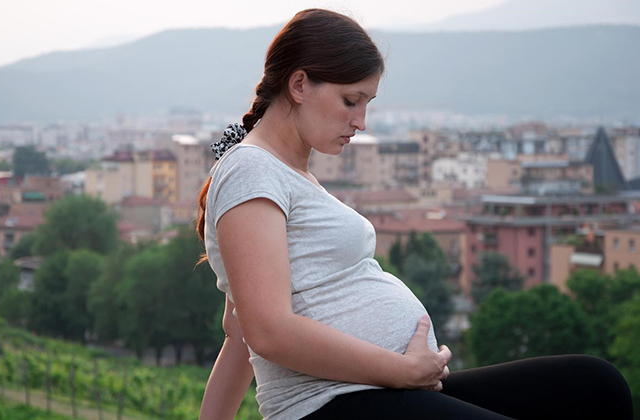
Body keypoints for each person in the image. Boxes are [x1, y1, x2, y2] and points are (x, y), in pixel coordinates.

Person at [196, 9, 633, 420]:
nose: (361, 121)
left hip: (379, 390)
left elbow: (239, 331)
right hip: (331, 403)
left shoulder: (287, 174)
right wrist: (401, 371)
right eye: (352, 100)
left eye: (367, 103)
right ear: (299, 85)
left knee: (596, 386)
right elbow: (267, 331)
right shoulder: (251, 169)